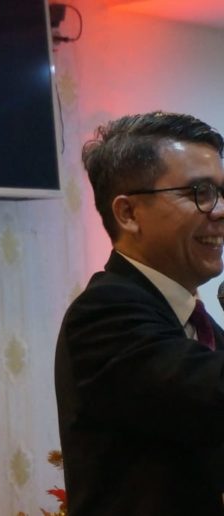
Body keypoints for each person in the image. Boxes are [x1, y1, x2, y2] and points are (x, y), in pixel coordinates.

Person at [55, 111, 224, 516]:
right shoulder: (105, 313)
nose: (219, 210)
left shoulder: (202, 328)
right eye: (200, 192)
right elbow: (208, 396)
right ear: (128, 213)